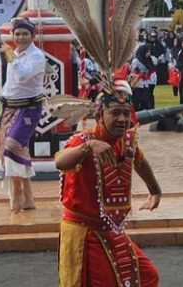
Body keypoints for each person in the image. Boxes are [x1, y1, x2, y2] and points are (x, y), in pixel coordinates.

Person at [55, 81, 160, 287]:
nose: (122, 119)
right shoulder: (85, 140)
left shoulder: (128, 141)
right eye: (115, 113)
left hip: (113, 231)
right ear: (99, 115)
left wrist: (155, 190)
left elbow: (139, 161)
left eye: (125, 113)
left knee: (148, 276)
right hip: (84, 233)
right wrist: (88, 147)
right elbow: (60, 162)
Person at [0, 18, 45, 213]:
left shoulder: (36, 56)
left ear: (33, 36)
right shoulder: (15, 53)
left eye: (25, 34)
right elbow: (11, 83)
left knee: (12, 148)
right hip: (9, 108)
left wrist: (10, 56)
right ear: (12, 35)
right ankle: (28, 198)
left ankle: (17, 197)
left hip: (29, 108)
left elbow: (23, 76)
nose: (21, 37)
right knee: (14, 152)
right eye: (17, 34)